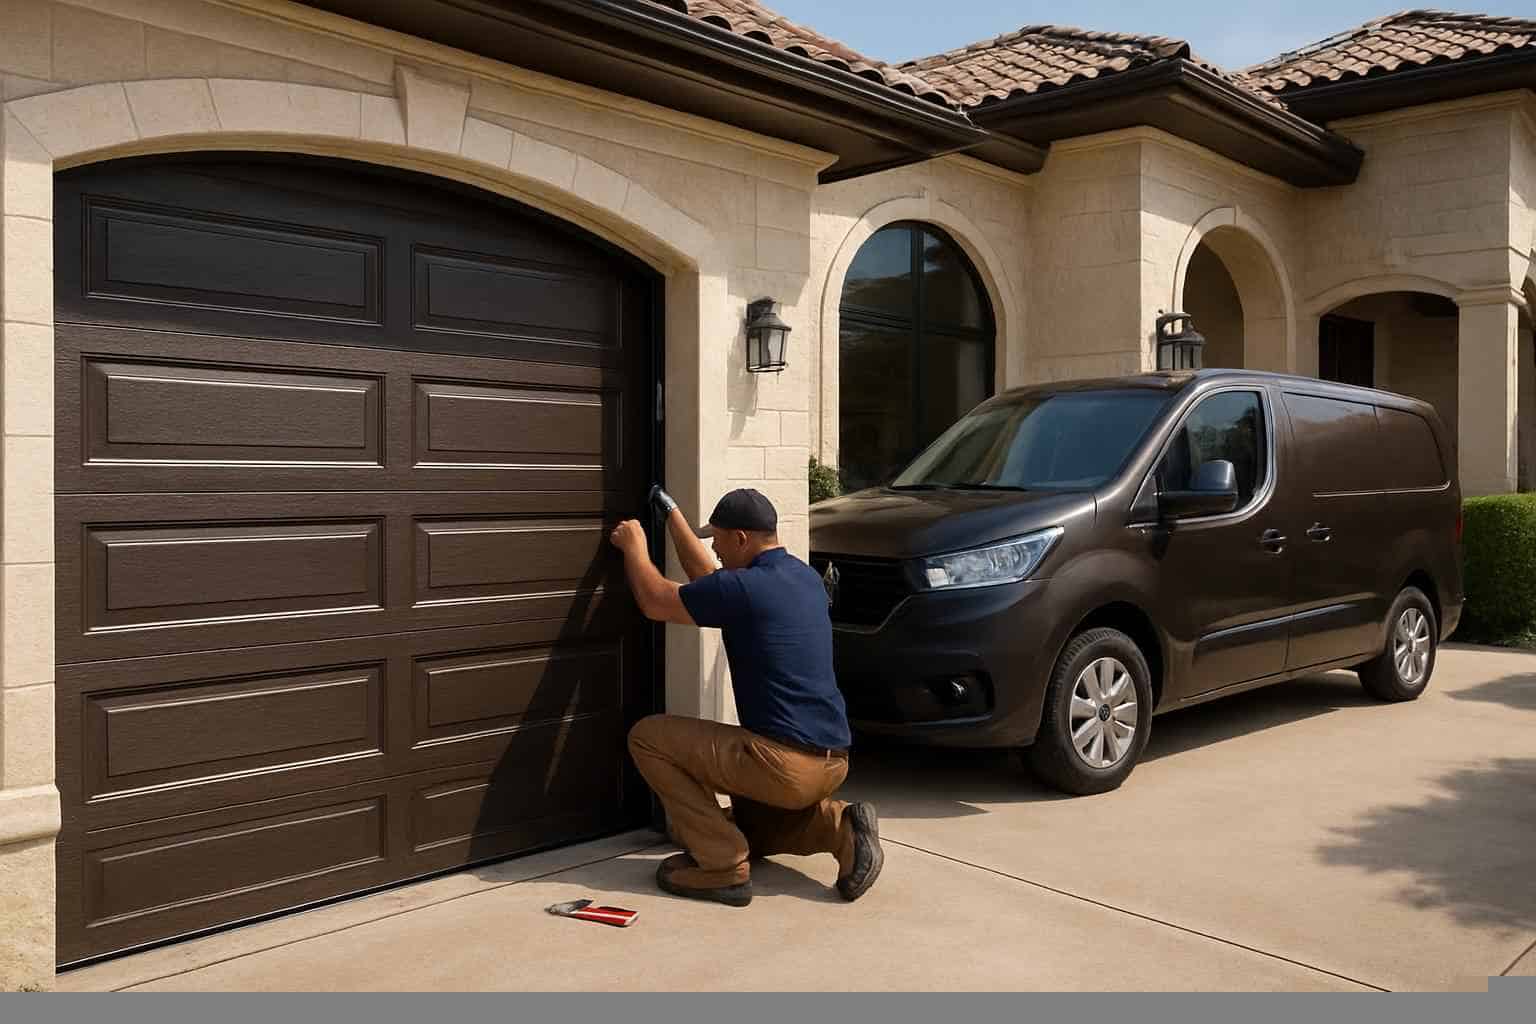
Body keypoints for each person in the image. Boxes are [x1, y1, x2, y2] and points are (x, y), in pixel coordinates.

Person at [607, 485, 883, 908]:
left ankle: (721, 865)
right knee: (754, 827)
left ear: (741, 539)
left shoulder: (746, 589)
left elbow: (656, 601)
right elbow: (709, 580)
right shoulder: (802, 578)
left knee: (648, 736)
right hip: (832, 762)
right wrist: (672, 514)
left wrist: (635, 547)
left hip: (782, 764)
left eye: (718, 539)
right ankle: (839, 828)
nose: (714, 549)